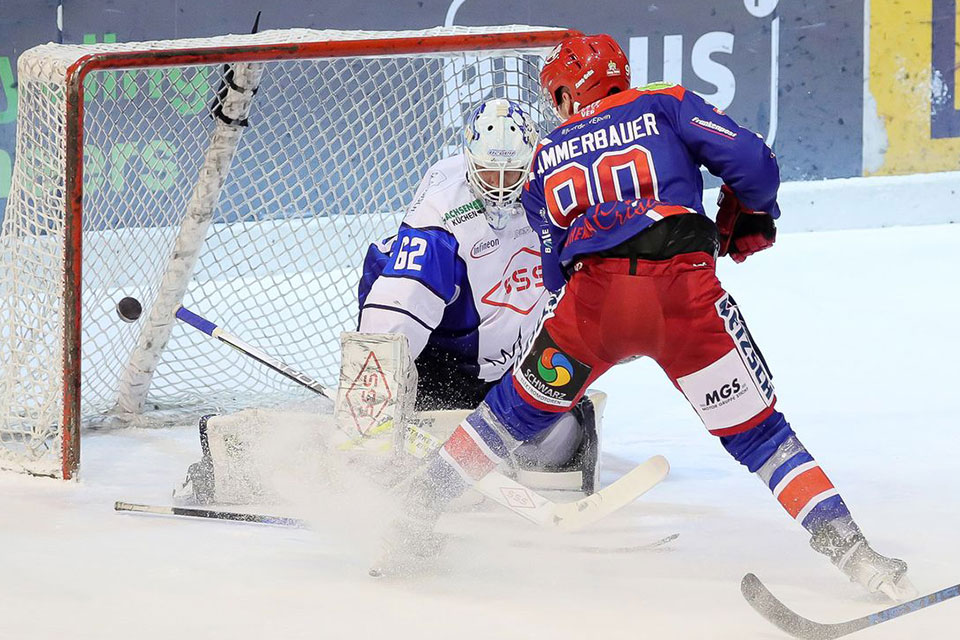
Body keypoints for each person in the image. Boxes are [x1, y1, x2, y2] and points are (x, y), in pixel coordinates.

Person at [377, 35, 915, 601]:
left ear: (565, 93)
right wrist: (748, 209)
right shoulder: (664, 101)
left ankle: (405, 522)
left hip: (591, 312)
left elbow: (553, 275)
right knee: (761, 436)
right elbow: (757, 163)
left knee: (503, 420)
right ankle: (857, 555)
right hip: (683, 301)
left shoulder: (545, 158)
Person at [357, 97, 601, 491]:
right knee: (401, 451)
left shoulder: (556, 185)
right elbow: (397, 308)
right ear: (469, 160)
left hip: (514, 362)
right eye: (490, 173)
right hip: (443, 369)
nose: (502, 188)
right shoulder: (441, 211)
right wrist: (374, 399)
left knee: (567, 437)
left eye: (513, 174)